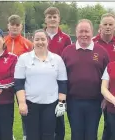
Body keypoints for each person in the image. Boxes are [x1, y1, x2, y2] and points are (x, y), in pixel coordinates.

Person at [14, 29, 68, 140]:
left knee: (48, 136)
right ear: (32, 40)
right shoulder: (24, 59)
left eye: (43, 39)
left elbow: (63, 83)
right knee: (32, 136)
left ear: (47, 41)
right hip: (30, 104)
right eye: (37, 39)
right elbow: (19, 83)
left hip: (51, 104)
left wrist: (62, 103)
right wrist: (22, 103)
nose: (40, 42)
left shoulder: (57, 59)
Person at [61, 19, 109, 140]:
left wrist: (105, 98)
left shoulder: (102, 52)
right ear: (76, 32)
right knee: (76, 134)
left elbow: (108, 77)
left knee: (91, 134)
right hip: (73, 101)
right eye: (81, 31)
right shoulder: (67, 51)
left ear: (92, 32)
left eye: (87, 31)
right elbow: (61, 77)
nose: (84, 34)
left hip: (95, 102)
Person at [43, 7, 72, 140]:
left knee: (59, 115)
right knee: (44, 114)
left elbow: (69, 59)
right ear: (45, 19)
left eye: (55, 17)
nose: (52, 19)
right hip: (42, 82)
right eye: (49, 17)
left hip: (59, 82)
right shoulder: (39, 36)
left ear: (59, 19)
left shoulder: (65, 38)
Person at [92, 13, 115, 140]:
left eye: (110, 24)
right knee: (92, 125)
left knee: (111, 126)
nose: (108, 27)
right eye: (105, 24)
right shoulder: (92, 42)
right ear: (100, 26)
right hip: (93, 92)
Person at [4, 14, 33, 140]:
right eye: (12, 25)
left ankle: (27, 134)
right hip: (6, 81)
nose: (14, 27)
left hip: (23, 82)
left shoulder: (27, 44)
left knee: (25, 108)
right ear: (8, 26)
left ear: (21, 27)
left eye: (17, 25)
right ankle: (9, 135)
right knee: (6, 109)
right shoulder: (3, 41)